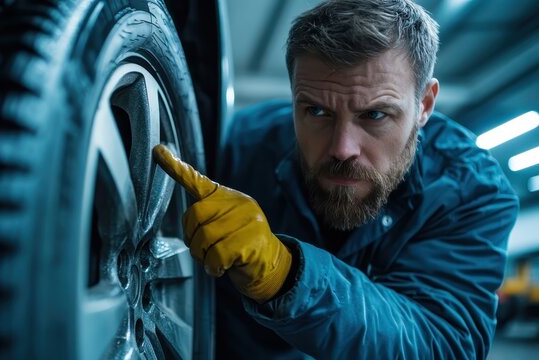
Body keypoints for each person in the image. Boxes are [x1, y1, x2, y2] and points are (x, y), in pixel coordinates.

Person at [153, 0, 519, 358]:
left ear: (424, 105)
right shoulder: (239, 148)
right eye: (316, 111)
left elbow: (445, 343)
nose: (343, 149)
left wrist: (286, 274)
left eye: (375, 115)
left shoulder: (471, 192)